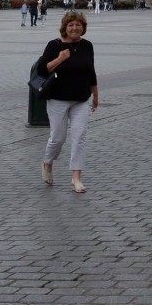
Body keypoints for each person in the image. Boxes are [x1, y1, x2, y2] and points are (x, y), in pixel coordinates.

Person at [37, 11, 98, 193]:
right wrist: (60, 59)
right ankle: (48, 162)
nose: (74, 28)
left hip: (80, 98)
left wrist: (95, 94)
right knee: (58, 138)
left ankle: (76, 178)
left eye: (78, 25)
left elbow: (91, 71)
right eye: (71, 25)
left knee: (79, 137)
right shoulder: (54, 45)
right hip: (58, 98)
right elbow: (42, 69)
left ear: (83, 28)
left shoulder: (87, 46)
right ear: (65, 27)